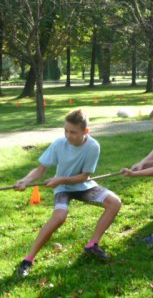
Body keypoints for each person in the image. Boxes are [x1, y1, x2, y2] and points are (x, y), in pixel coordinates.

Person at [14, 110, 122, 277]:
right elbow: (40, 169)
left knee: (114, 203)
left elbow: (84, 176)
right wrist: (25, 181)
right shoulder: (59, 144)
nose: (68, 135)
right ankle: (28, 259)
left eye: (73, 132)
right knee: (59, 217)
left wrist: (61, 179)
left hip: (83, 185)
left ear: (85, 132)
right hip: (63, 188)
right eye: (66, 130)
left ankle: (92, 245)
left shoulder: (93, 146)